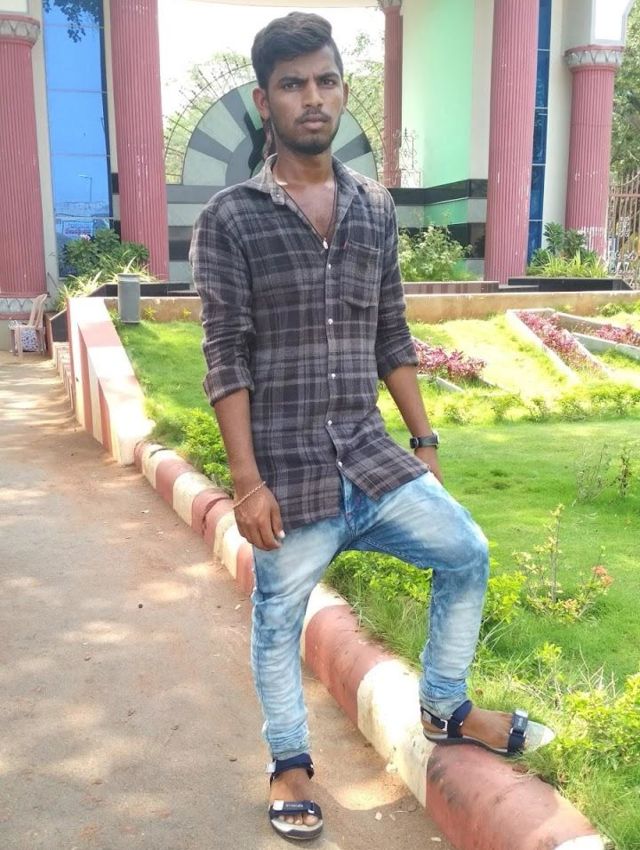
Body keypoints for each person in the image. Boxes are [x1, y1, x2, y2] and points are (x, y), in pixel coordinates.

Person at [190, 12, 532, 841]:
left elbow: (391, 333)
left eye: (326, 80)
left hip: (371, 461)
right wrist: (246, 483)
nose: (312, 98)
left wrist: (424, 441)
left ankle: (445, 707)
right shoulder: (231, 219)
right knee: (279, 616)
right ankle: (290, 762)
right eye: (292, 84)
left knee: (466, 551)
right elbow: (225, 356)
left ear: (343, 90)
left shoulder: (373, 207)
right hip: (288, 474)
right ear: (266, 101)